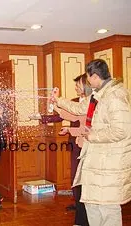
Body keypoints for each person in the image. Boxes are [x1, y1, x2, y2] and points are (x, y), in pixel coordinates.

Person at [54, 59, 131, 226]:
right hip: (96, 160)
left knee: (107, 208)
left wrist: (92, 135)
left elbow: (122, 131)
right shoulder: (98, 95)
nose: (88, 81)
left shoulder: (116, 96)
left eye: (88, 77)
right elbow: (78, 109)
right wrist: (58, 100)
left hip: (109, 163)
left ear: (95, 76)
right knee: (91, 204)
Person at [29, 74, 91, 226]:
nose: (75, 88)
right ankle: (79, 208)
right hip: (76, 142)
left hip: (87, 144)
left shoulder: (92, 103)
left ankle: (83, 213)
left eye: (78, 85)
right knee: (75, 178)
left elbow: (81, 123)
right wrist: (43, 114)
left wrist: (70, 129)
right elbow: (61, 115)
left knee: (82, 180)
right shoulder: (75, 102)